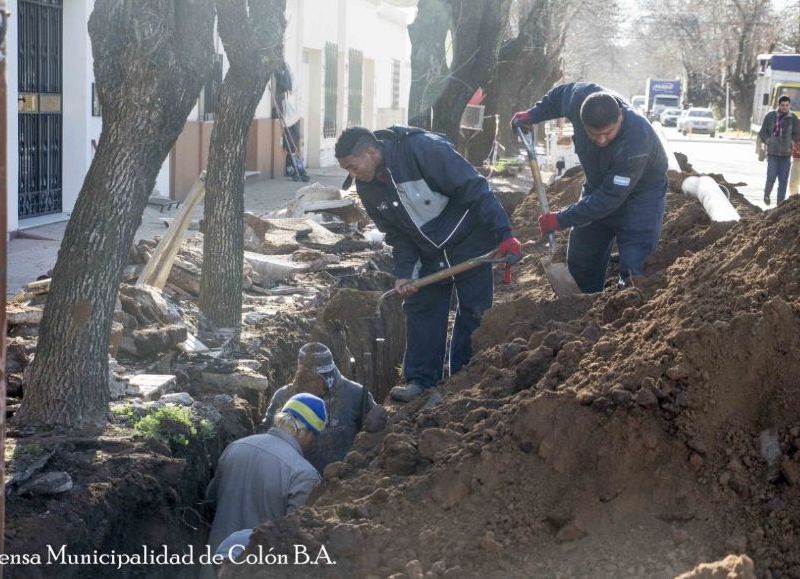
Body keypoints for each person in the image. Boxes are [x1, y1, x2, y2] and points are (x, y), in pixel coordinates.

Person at [334, 126, 521, 403]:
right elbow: (397, 234)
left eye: (352, 166)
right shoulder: (367, 187)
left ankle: (462, 379)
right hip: (427, 252)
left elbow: (475, 187)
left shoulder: (423, 150)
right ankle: (421, 380)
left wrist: (505, 234)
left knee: (474, 311)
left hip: (468, 239)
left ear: (371, 152)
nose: (352, 174)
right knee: (422, 308)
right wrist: (404, 274)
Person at [511, 82, 668, 293]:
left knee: (634, 265)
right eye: (594, 134)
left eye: (608, 133)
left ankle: (626, 306)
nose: (601, 140)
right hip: (598, 185)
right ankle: (581, 306)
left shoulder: (636, 141)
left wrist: (561, 218)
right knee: (582, 256)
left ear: (620, 116)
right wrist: (533, 114)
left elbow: (608, 199)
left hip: (641, 196)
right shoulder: (580, 98)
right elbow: (559, 96)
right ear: (581, 121)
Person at [206, 393, 327, 552]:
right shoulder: (304, 474)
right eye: (314, 437)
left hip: (214, 560)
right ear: (308, 433)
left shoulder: (236, 447)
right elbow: (296, 535)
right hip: (258, 567)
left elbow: (210, 499)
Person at [259, 342, 385, 473]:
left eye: (311, 379)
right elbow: (266, 435)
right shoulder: (283, 396)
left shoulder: (355, 395)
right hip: (294, 478)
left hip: (340, 482)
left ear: (326, 377)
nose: (306, 384)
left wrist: (374, 430)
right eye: (303, 377)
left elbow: (377, 441)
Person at [758, 95, 799, 206]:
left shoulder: (793, 118)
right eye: (782, 105)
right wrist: (768, 140)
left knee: (783, 181)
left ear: (789, 105)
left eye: (787, 105)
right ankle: (766, 193)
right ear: (778, 105)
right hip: (772, 154)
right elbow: (762, 132)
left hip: (786, 155)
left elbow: (797, 134)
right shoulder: (770, 116)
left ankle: (779, 204)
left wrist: (792, 142)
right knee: (771, 177)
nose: (785, 107)